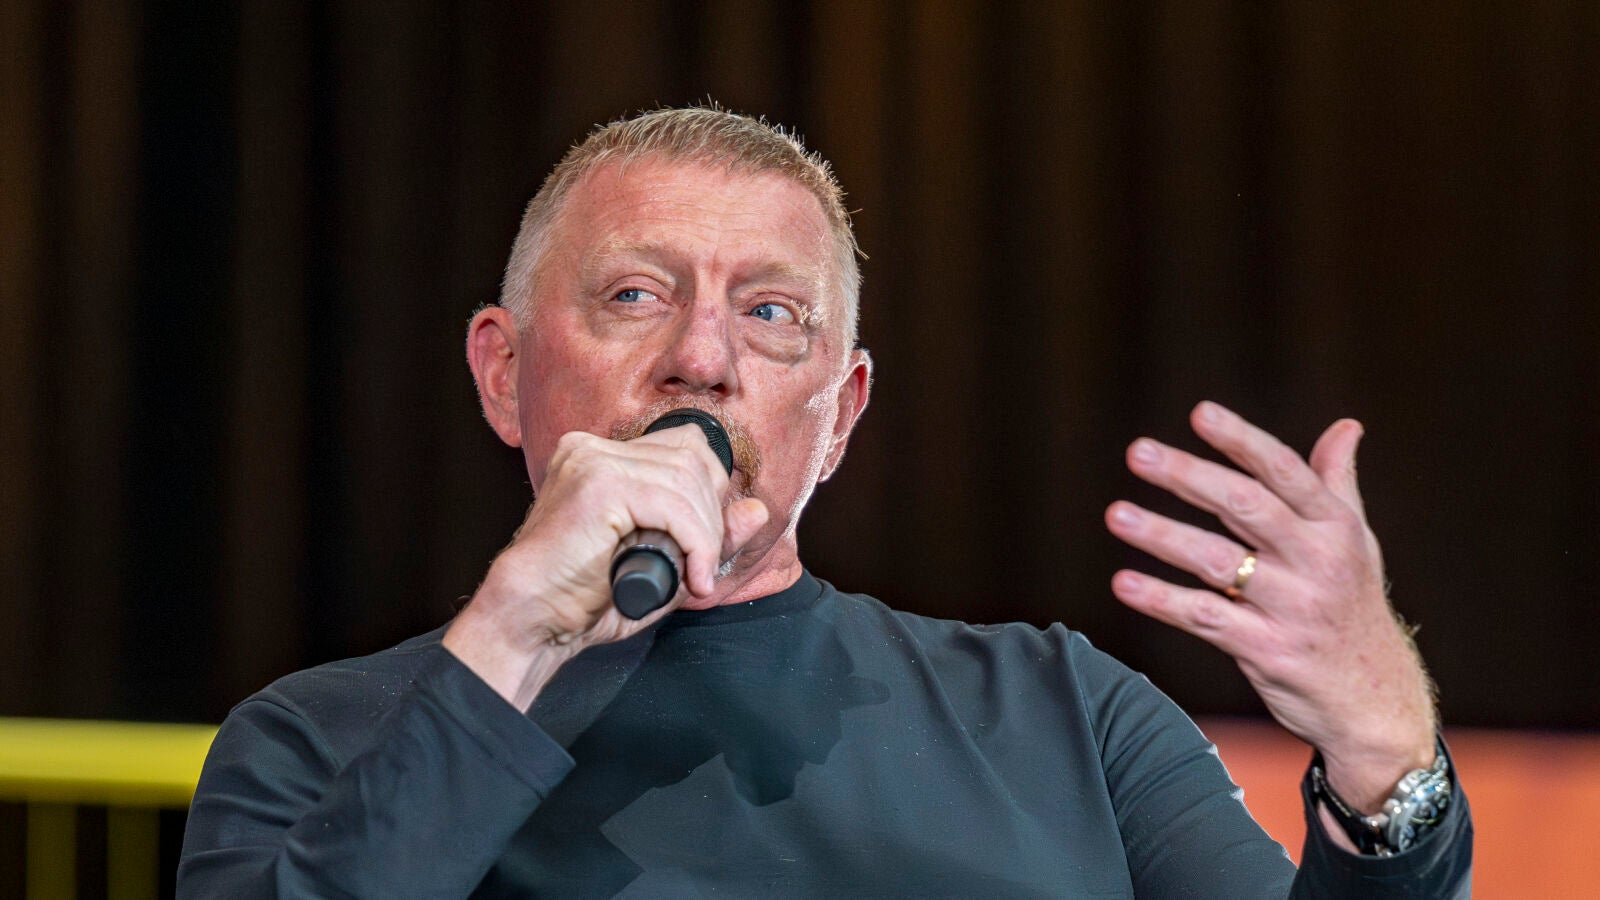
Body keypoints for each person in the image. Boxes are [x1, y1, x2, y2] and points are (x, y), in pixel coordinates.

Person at [178, 107, 1471, 897]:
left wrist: (1385, 758)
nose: (703, 357)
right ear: (503, 375)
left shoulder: (1067, 717)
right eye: (635, 295)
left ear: (841, 414)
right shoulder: (316, 744)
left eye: (770, 313)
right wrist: (514, 634)